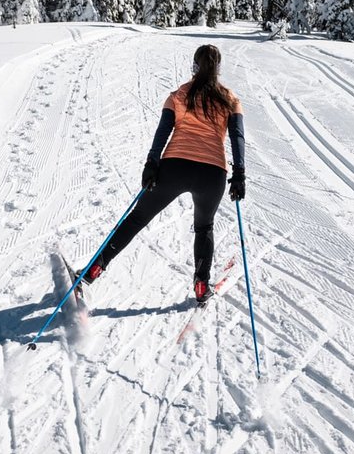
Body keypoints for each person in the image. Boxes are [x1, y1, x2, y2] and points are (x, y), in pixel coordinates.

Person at [80, 44, 246, 305]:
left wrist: (152, 162)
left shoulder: (179, 95)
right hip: (212, 173)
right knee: (204, 227)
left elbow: (163, 131)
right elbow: (237, 137)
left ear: (194, 66)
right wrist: (239, 174)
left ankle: (93, 270)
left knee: (137, 218)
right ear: (218, 68)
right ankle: (201, 285)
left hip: (175, 167)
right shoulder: (231, 100)